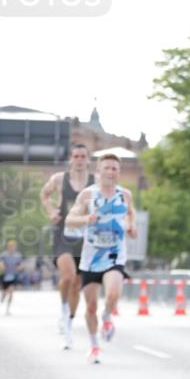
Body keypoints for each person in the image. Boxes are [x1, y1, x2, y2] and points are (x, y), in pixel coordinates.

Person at [65, 152, 137, 363]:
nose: (111, 172)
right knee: (90, 307)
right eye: (106, 168)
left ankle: (107, 317)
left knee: (113, 294)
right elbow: (70, 220)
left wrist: (131, 226)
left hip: (115, 255)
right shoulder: (87, 195)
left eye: (115, 168)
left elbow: (130, 213)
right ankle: (94, 346)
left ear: (119, 173)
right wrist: (88, 218)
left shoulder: (125, 195)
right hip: (91, 258)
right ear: (97, 172)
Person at [40, 144, 95, 347]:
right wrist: (51, 211)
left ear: (88, 159)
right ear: (70, 159)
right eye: (76, 156)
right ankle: (63, 309)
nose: (79, 159)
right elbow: (44, 194)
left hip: (86, 238)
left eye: (83, 156)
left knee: (77, 284)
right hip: (63, 234)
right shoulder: (59, 179)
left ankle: (69, 319)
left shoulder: (94, 182)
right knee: (68, 276)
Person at [0, 239, 24, 314]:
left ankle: (8, 309)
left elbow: (21, 264)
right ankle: (2, 297)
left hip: (13, 276)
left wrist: (20, 267)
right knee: (4, 293)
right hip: (5, 276)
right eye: (10, 246)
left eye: (13, 246)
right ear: (8, 247)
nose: (12, 247)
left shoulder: (18, 255)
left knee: (11, 292)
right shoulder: (4, 255)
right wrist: (1, 266)